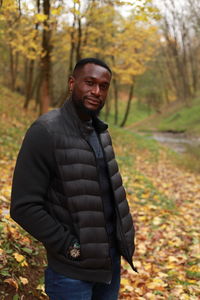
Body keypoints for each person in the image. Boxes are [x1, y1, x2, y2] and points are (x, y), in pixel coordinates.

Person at [10, 58, 136, 300]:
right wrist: (70, 246)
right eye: (89, 83)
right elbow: (23, 206)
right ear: (71, 83)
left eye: (104, 86)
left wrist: (123, 239)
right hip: (70, 272)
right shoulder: (45, 131)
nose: (96, 92)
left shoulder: (100, 131)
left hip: (109, 264)